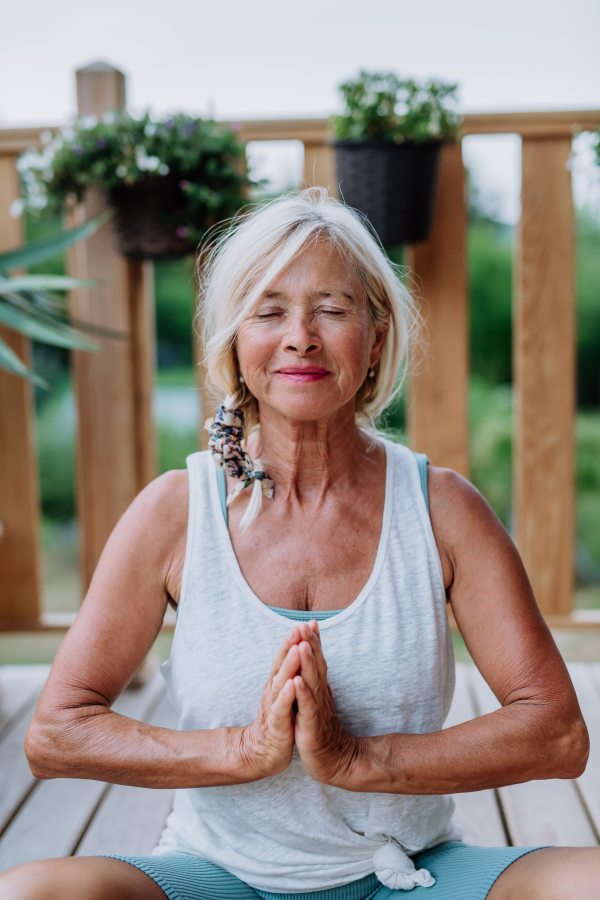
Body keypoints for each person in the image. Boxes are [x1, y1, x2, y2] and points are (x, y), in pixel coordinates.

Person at [2, 188, 598, 900]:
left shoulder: (442, 508)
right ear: (233, 339)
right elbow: (58, 733)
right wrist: (241, 751)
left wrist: (355, 761)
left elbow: (556, 733)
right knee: (27, 891)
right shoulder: (174, 511)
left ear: (377, 337)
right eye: (269, 309)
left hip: (409, 876)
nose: (301, 336)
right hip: (215, 877)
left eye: (333, 309)